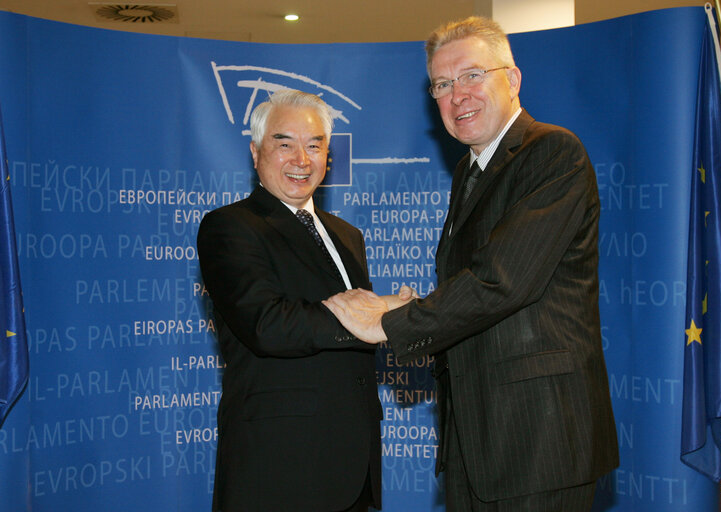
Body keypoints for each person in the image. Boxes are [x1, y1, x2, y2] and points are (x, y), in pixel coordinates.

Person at [324, 16, 619, 511]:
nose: (457, 95)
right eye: (442, 84)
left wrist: (388, 323)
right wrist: (417, 306)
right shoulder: (470, 170)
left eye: (471, 75)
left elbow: (503, 281)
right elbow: (479, 285)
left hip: (539, 441)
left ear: (513, 79)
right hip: (476, 442)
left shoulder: (552, 152)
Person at [198, 90, 390, 512]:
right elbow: (268, 325)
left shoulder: (348, 236)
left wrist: (402, 318)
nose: (302, 159)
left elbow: (361, 330)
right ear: (255, 152)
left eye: (315, 145)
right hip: (278, 467)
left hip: (353, 468)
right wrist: (370, 317)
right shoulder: (229, 227)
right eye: (284, 144)